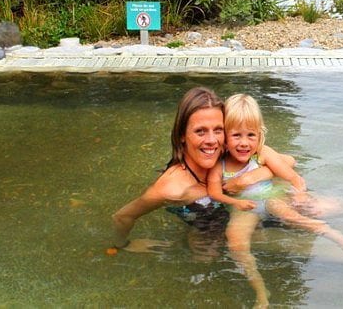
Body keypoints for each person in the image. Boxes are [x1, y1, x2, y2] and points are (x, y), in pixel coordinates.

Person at [206, 94, 343, 308]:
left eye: (251, 135)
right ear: (224, 136)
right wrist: (235, 202)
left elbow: (293, 177)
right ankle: (261, 292)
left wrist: (299, 194)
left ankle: (340, 239)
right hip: (245, 207)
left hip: (271, 196)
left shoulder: (262, 154)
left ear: (259, 134)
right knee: (235, 241)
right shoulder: (220, 165)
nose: (244, 143)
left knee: (290, 213)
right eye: (236, 135)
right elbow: (215, 193)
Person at [111, 87, 281, 253]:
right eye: (200, 131)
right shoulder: (172, 188)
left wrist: (249, 178)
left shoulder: (229, 151)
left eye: (218, 130)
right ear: (182, 135)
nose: (212, 140)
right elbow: (122, 216)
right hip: (209, 228)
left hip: (248, 211)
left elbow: (288, 161)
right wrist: (124, 245)